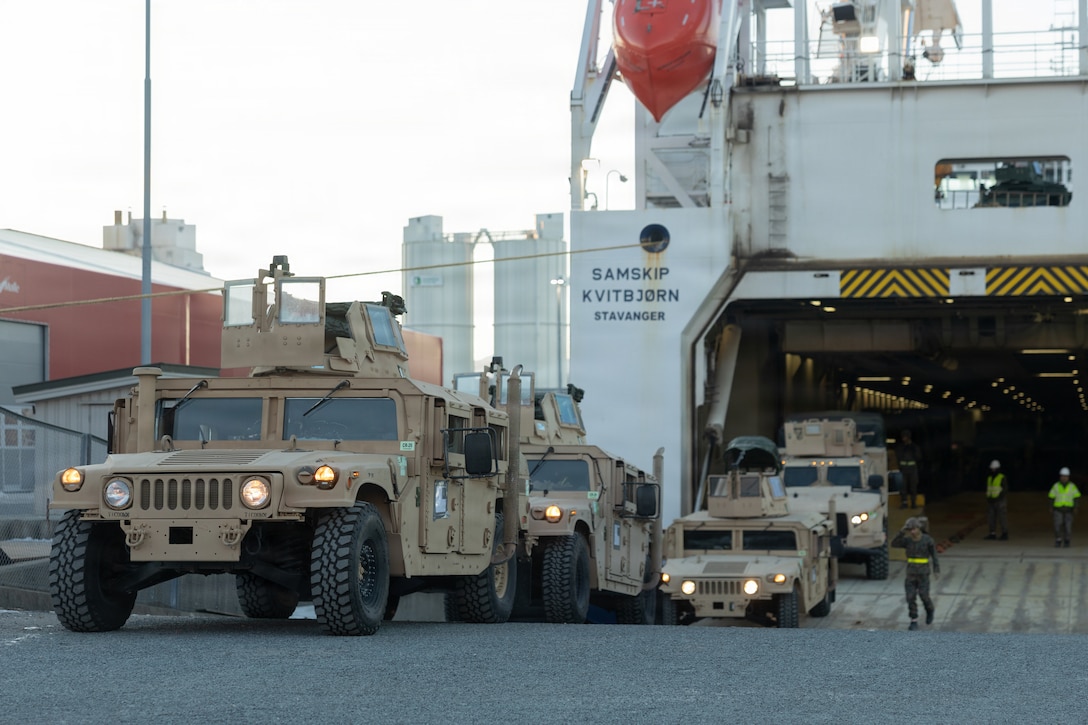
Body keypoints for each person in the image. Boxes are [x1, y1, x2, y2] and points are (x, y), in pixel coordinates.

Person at [891, 516, 940, 630]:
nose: (912, 532)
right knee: (910, 597)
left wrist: (936, 570)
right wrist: (902, 531)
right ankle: (913, 620)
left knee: (924, 596)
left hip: (923, 574)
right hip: (911, 574)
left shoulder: (927, 540)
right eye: (910, 530)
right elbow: (894, 543)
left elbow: (934, 556)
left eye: (914, 529)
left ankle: (930, 610)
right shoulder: (907, 541)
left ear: (919, 528)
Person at [1048, 467, 1081, 548]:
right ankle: (1058, 540)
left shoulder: (1072, 486)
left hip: (1069, 510)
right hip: (1058, 509)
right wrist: (1051, 507)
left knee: (1068, 526)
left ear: (1068, 477)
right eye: (1062, 476)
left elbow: (1076, 497)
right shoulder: (1056, 486)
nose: (1064, 478)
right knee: (1057, 525)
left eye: (1065, 476)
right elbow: (1051, 497)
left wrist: (1076, 507)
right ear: (1060, 477)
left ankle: (1067, 540)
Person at [895, 430, 922, 509]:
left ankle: (913, 503)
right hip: (903, 470)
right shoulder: (901, 447)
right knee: (903, 487)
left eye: (905, 437)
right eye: (903, 437)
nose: (904, 439)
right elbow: (898, 457)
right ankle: (904, 503)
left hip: (912, 469)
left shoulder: (914, 447)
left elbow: (919, 457)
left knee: (913, 487)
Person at [983, 459, 1009, 540]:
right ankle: (992, 533)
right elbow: (989, 488)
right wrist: (988, 497)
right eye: (992, 468)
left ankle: (1004, 534)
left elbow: (1005, 489)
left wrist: (999, 497)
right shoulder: (989, 478)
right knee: (991, 518)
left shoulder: (1002, 477)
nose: (992, 470)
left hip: (1000, 501)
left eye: (994, 468)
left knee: (1002, 518)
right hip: (991, 501)